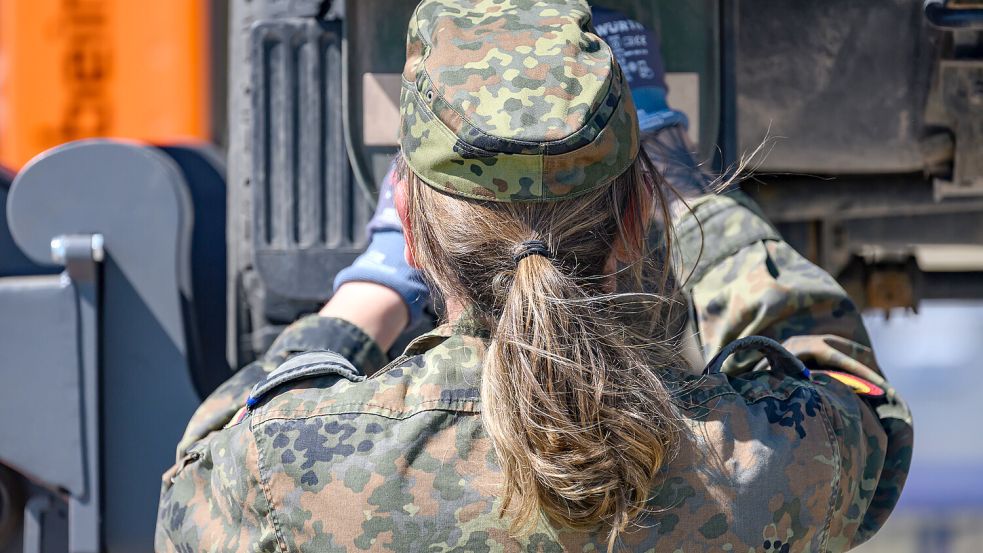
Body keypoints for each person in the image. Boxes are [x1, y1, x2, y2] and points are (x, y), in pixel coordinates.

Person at [155, 1, 912, 551]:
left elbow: (201, 467)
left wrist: (368, 296)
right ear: (631, 222)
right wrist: (684, 185)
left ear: (414, 232)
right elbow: (852, 399)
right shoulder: (765, 460)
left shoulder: (284, 471)